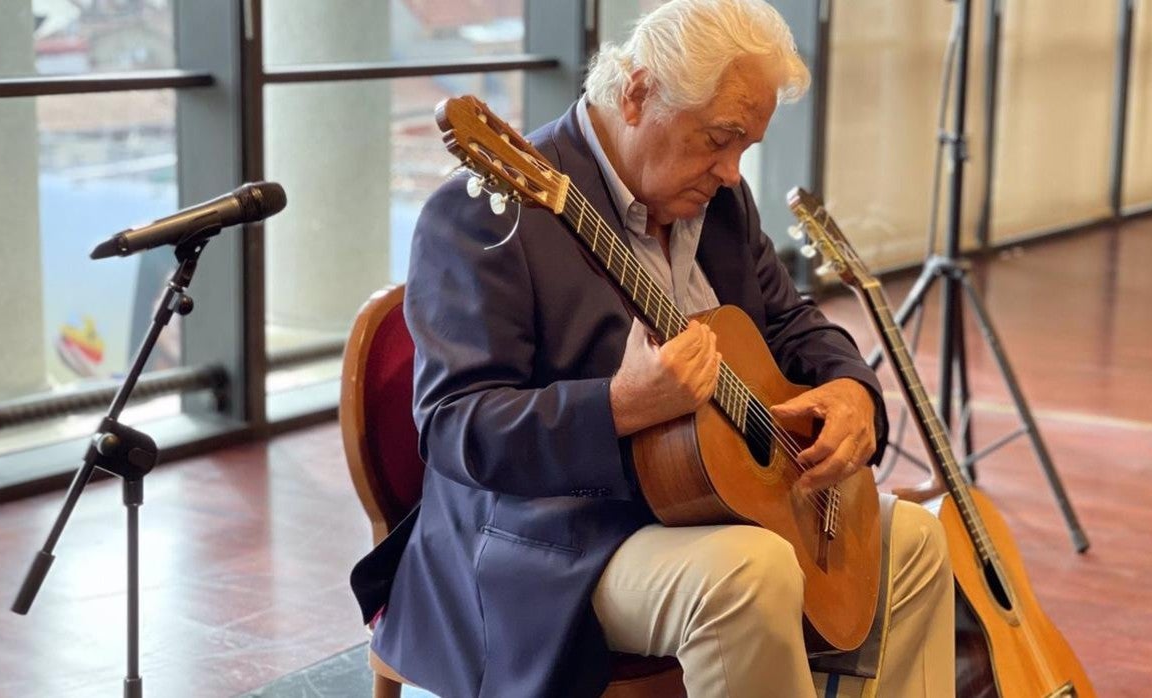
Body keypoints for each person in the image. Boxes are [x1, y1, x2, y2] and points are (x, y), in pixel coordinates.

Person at [366, 1, 954, 695]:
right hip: (551, 537)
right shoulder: (483, 213)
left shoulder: (721, 204)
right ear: (640, 93)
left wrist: (853, 390)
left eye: (747, 147)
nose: (733, 171)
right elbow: (455, 429)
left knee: (915, 540)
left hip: (701, 506)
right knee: (752, 571)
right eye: (719, 138)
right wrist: (617, 407)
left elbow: (795, 325)